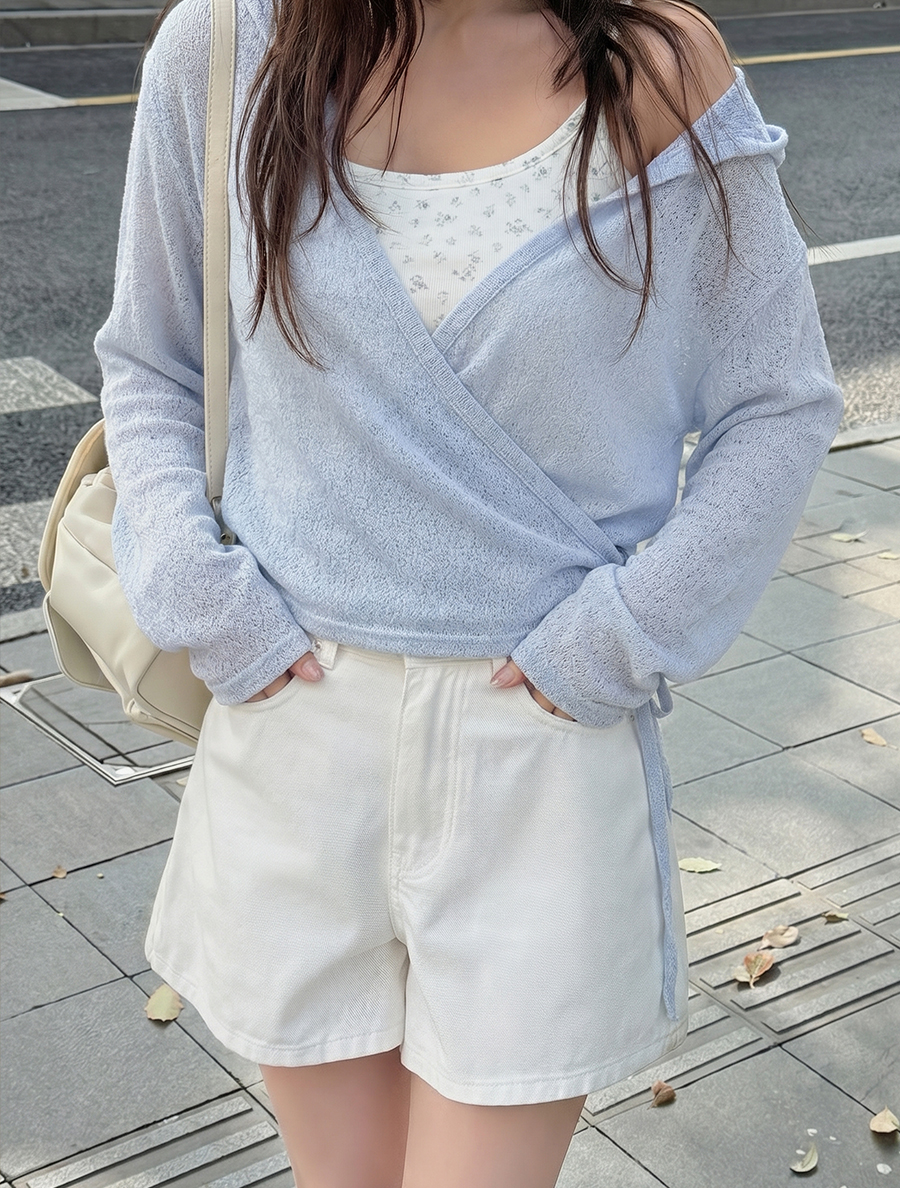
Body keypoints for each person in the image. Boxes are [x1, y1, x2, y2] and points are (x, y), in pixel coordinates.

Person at [95, 0, 842, 1181]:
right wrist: (204, 597)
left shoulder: (655, 61)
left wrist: (621, 637)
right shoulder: (228, 45)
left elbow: (778, 399)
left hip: (538, 753)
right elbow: (153, 362)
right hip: (294, 730)